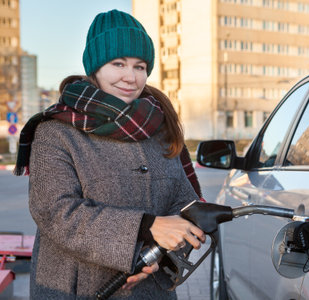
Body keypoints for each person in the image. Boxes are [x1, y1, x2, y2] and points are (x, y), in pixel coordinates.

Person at [14, 9, 206, 299]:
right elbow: (56, 212)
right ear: (96, 67)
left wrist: (161, 255)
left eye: (140, 66)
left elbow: (182, 200)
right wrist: (146, 227)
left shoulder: (161, 129)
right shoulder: (55, 132)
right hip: (78, 289)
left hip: (151, 289)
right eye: (118, 63)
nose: (130, 76)